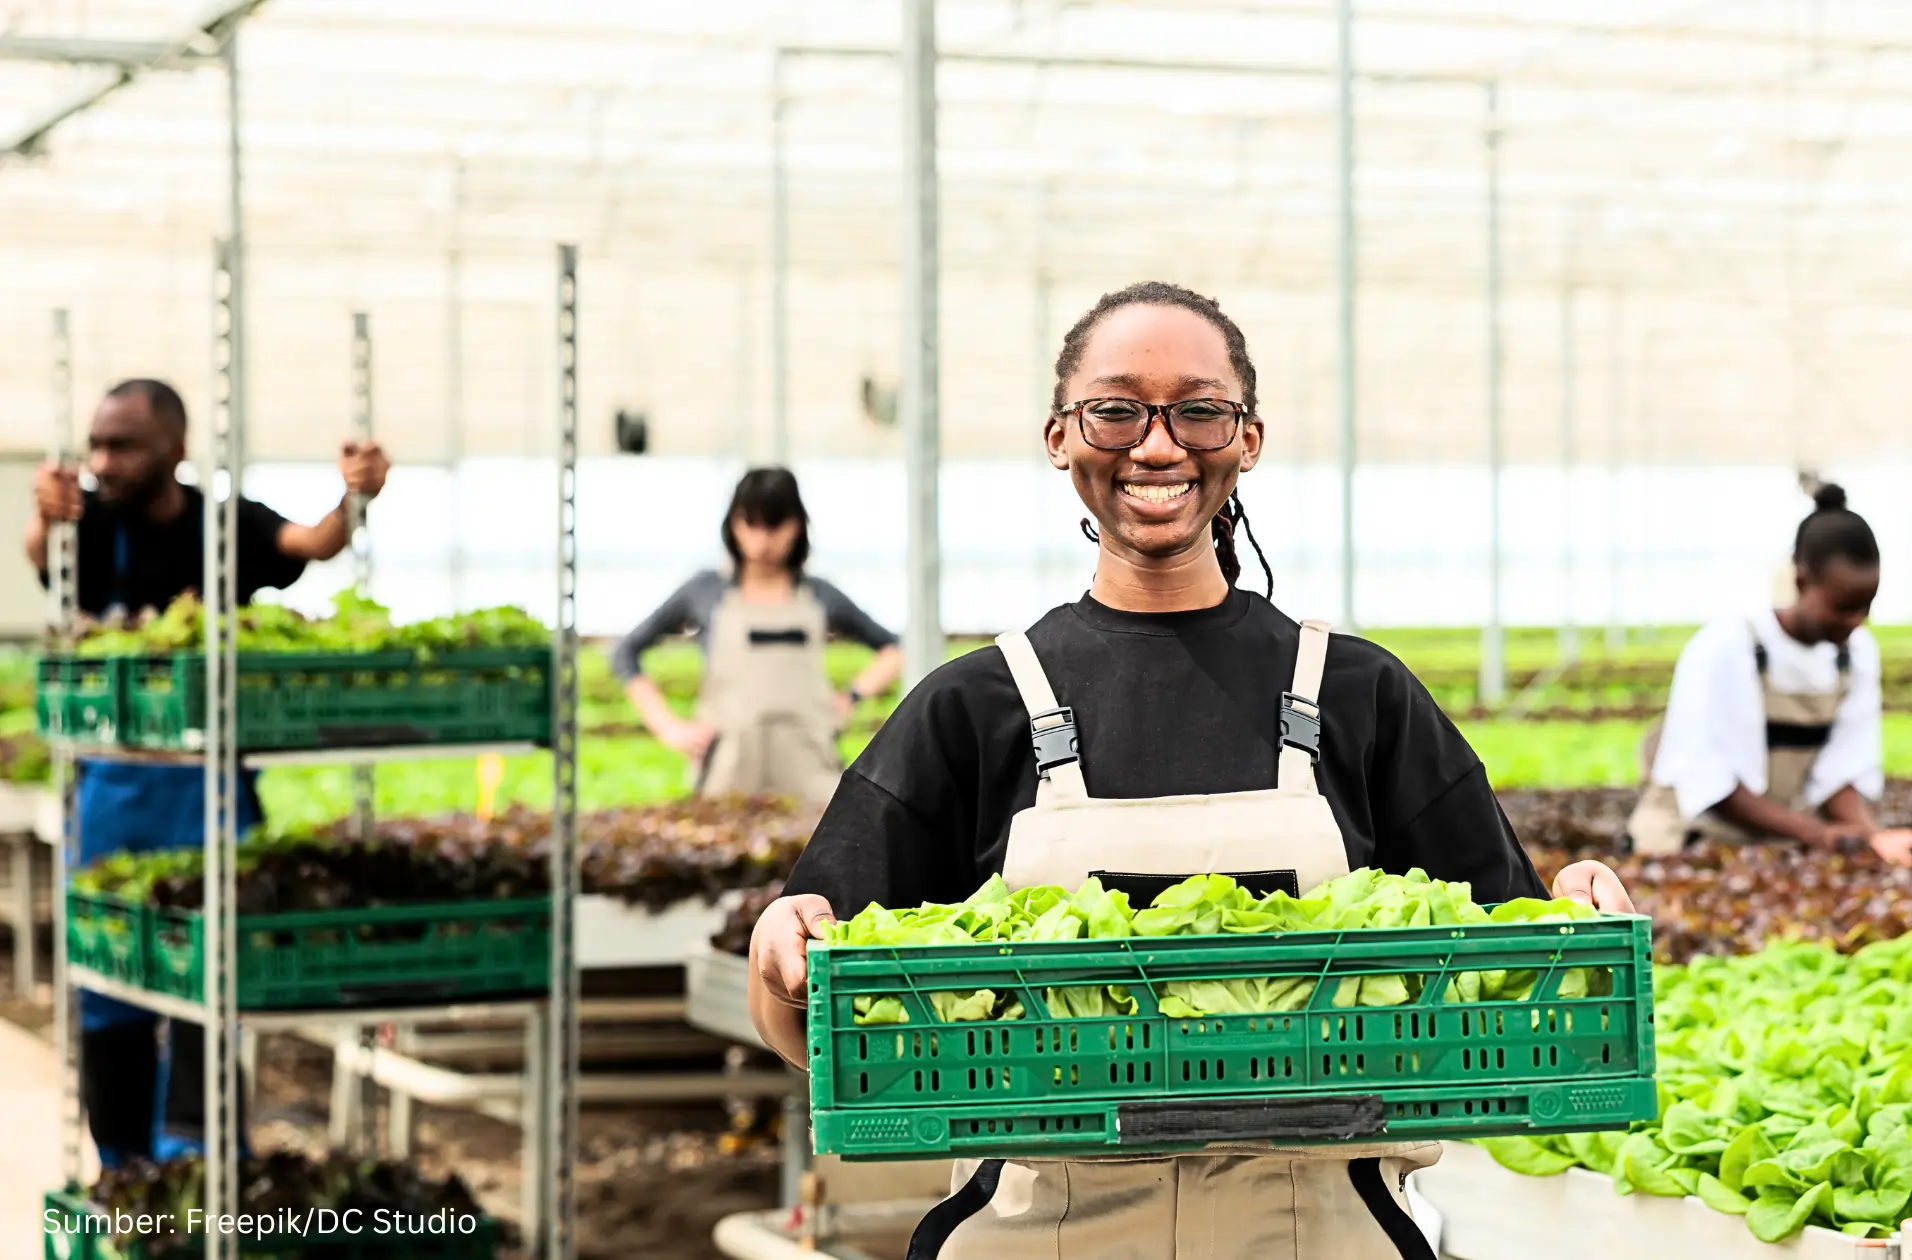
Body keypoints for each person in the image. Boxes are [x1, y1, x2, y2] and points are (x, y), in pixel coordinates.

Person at [745, 281, 1636, 1259]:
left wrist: (1576, 926)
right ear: (1059, 436)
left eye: (1198, 410)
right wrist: (779, 955)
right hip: (1038, 1238)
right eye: (1115, 408)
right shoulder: (974, 708)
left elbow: (1512, 994)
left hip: (1318, 1234)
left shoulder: (1356, 695)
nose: (1157, 444)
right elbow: (818, 1021)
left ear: (1246, 437)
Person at [23, 377, 389, 1167]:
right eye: (97, 444)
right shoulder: (90, 522)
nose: (103, 461)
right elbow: (42, 560)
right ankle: (124, 1168)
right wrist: (43, 515)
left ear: (174, 450)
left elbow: (313, 543)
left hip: (210, 800)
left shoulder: (227, 523)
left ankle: (201, 1163)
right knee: (111, 990)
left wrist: (356, 498)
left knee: (210, 984)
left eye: (123, 445)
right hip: (114, 801)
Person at [1625, 484, 1912, 866]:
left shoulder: (1856, 653)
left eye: (1866, 606)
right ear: (1801, 582)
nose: (1856, 621)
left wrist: (1872, 838)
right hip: (1691, 836)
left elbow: (1840, 772)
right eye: (1843, 608)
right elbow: (1712, 785)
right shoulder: (1727, 646)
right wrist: (1818, 834)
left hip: (1774, 842)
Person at [612, 467, 904, 806]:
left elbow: (894, 648)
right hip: (727, 773)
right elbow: (625, 652)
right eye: (751, 524)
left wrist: (851, 696)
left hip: (811, 771)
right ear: (733, 525)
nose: (761, 540)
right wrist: (669, 727)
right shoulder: (706, 591)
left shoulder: (819, 595)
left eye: (774, 525)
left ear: (796, 526)